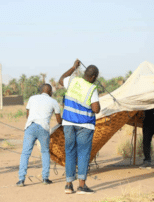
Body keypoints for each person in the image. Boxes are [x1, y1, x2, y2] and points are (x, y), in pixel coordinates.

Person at [59, 59, 101, 194]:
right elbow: (96, 109)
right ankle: (82, 186)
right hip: (85, 125)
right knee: (83, 153)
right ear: (94, 77)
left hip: (68, 123)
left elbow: (61, 79)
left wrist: (73, 67)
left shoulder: (73, 81)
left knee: (70, 152)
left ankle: (68, 185)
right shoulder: (92, 88)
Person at [16, 84, 62, 187]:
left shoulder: (32, 98)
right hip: (43, 128)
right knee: (45, 152)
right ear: (50, 92)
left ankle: (21, 180)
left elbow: (27, 115)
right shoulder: (53, 101)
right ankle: (45, 178)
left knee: (25, 153)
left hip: (30, 127)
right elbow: (59, 120)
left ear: (41, 90)